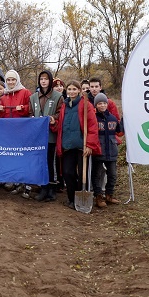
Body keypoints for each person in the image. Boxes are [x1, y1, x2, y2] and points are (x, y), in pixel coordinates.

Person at [52, 80, 101, 210]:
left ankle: (81, 198)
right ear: (66, 91)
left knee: (83, 174)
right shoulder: (64, 106)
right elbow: (62, 126)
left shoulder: (86, 105)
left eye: (74, 89)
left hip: (82, 146)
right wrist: (53, 123)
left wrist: (90, 145)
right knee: (68, 173)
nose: (72, 91)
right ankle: (71, 199)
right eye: (69, 89)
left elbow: (92, 126)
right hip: (68, 145)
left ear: (79, 90)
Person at [29, 70, 63, 202]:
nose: (43, 81)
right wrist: (32, 118)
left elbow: (60, 113)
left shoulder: (57, 97)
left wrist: (53, 118)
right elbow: (30, 113)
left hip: (51, 135)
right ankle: (43, 187)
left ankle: (52, 189)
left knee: (51, 162)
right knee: (40, 162)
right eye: (41, 79)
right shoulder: (33, 97)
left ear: (50, 81)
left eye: (46, 79)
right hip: (37, 137)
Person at [0, 70, 33, 197]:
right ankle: (16, 182)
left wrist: (23, 108)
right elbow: (2, 117)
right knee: (12, 156)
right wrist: (0, 110)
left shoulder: (25, 92)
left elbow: (31, 108)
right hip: (9, 132)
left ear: (17, 80)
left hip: (22, 131)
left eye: (13, 79)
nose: (11, 82)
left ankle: (26, 184)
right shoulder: (4, 97)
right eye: (8, 80)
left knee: (23, 156)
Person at [91, 93, 123, 207]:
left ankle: (109, 195)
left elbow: (119, 132)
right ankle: (98, 196)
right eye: (100, 103)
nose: (102, 105)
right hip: (99, 151)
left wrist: (125, 121)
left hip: (112, 151)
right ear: (96, 105)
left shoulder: (112, 118)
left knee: (112, 174)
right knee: (97, 175)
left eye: (104, 103)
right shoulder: (94, 118)